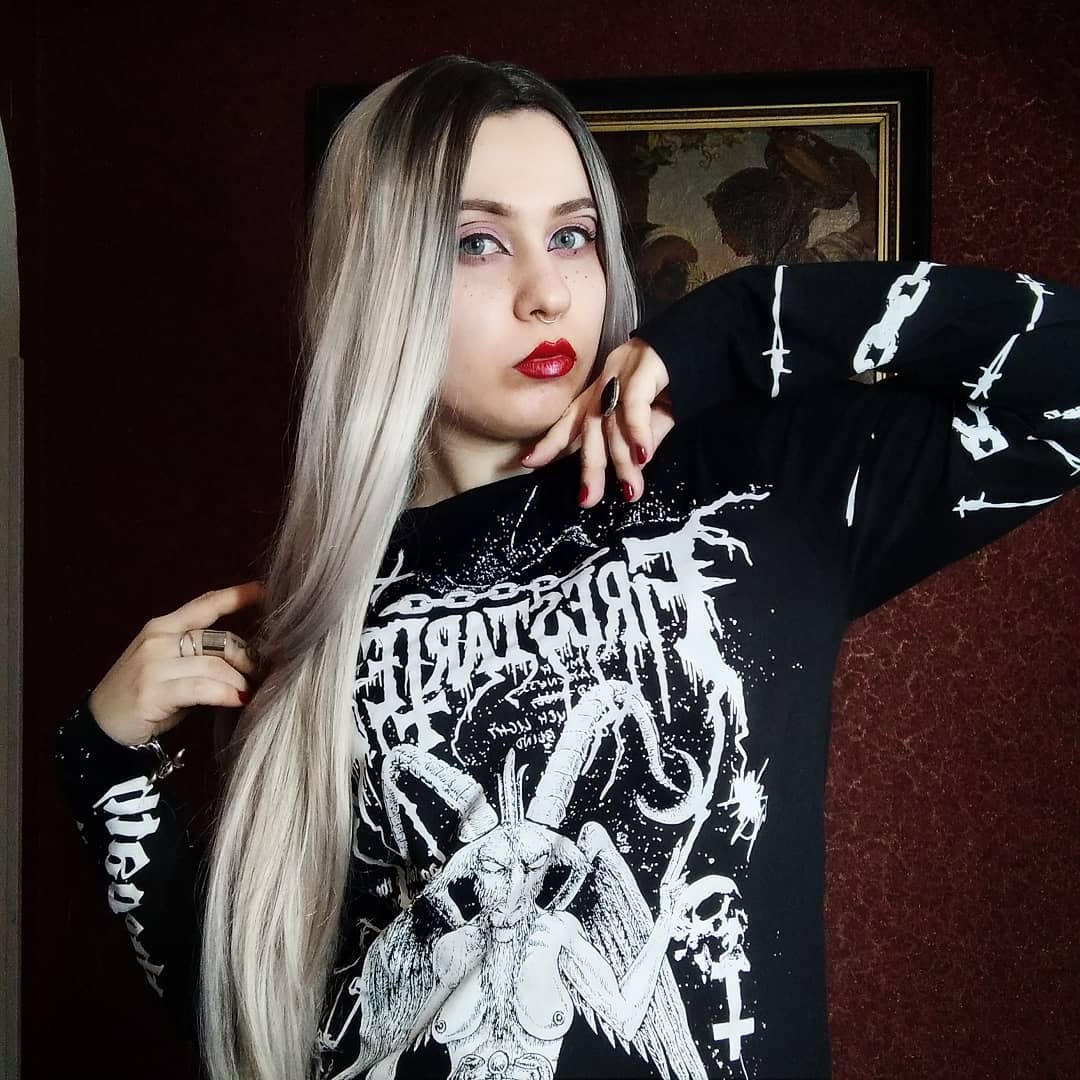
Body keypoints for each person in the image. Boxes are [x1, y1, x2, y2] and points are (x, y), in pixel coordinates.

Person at [53, 55, 1079, 1080]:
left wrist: (727, 325)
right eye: (477, 242)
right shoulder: (324, 616)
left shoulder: (749, 489)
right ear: (376, 279)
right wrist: (107, 766)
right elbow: (253, 1012)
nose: (546, 293)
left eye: (572, 235)